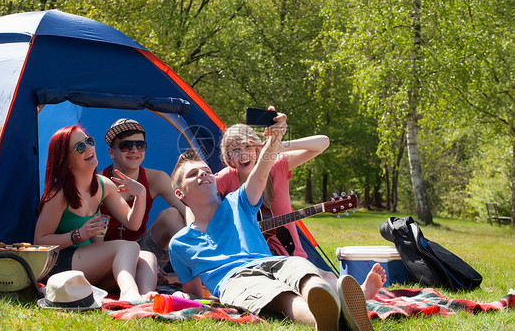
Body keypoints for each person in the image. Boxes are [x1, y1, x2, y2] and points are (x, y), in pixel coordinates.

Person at [168, 111, 374, 331]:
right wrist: (183, 294)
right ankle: (333, 318)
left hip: (273, 260)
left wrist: (275, 139)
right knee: (281, 297)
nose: (203, 175)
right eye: (193, 175)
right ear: (180, 194)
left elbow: (260, 174)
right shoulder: (180, 243)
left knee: (305, 273)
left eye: (207, 171)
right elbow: (193, 292)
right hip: (234, 278)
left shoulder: (238, 201)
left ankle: (335, 304)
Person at [216, 115, 386, 300]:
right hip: (252, 259)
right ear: (228, 158)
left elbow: (323, 143)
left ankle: (357, 295)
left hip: (289, 254)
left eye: (247, 146)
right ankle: (351, 295)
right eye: (235, 150)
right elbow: (195, 196)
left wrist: (278, 146)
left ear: (257, 148)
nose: (242, 154)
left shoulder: (277, 166)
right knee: (312, 281)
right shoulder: (227, 178)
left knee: (326, 276)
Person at [34, 126, 157, 302]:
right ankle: (129, 294)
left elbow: (133, 223)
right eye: (80, 147)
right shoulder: (60, 195)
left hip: (88, 265)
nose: (89, 148)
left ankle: (145, 298)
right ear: (66, 159)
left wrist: (141, 194)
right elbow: (39, 241)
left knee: (147, 256)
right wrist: (78, 235)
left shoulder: (103, 185)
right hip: (59, 267)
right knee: (128, 247)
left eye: (89, 141)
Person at [99, 118, 189, 278]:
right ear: (111, 152)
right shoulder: (98, 181)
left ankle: (200, 267)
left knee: (172, 215)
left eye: (140, 145)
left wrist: (202, 235)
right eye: (126, 145)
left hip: (142, 247)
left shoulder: (155, 178)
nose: (134, 150)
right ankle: (147, 273)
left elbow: (185, 207)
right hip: (107, 253)